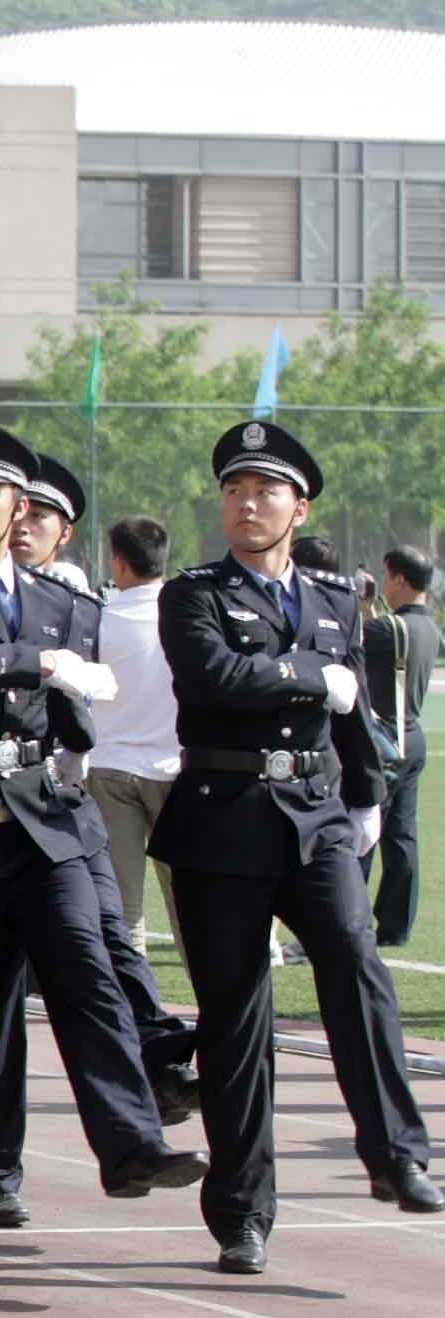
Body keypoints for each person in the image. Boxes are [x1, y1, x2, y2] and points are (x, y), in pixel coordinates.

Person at [0, 421, 201, 1284]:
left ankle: (131, 1143)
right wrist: (32, 661)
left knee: (91, 973)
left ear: (20, 508)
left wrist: (75, 728)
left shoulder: (64, 602)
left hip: (49, 821)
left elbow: (74, 702)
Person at [149, 420, 440, 1274]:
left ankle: (396, 1155)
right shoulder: (193, 593)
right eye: (235, 490)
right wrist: (316, 677)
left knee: (356, 964)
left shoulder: (334, 600)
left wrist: (369, 800)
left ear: (298, 505)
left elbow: (352, 723)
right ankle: (243, 1214)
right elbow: (214, 678)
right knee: (237, 1023)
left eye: (266, 490)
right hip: (222, 819)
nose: (247, 503)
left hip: (315, 820)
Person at [86, 517, 182, 951]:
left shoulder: (99, 617)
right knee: (190, 906)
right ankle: (217, 1012)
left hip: (109, 767)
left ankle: (133, 1010)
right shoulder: (187, 614)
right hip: (174, 769)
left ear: (119, 562)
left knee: (123, 913)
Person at [361, 544, 435, 946]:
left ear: (400, 580)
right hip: (413, 736)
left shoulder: (389, 629)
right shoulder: (428, 627)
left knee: (361, 831)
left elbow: (352, 641)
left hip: (384, 740)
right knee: (401, 837)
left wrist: (358, 607)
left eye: (387, 577)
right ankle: (395, 927)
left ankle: (348, 919)